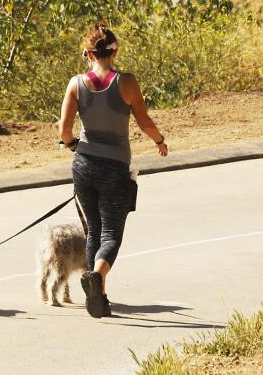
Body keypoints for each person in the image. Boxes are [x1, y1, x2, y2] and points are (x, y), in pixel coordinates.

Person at [58, 22, 169, 319]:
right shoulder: (127, 82)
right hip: (115, 167)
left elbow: (65, 131)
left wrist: (72, 146)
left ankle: (100, 295)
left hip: (83, 165)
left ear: (87, 52)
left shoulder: (76, 83)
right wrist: (159, 141)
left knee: (92, 229)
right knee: (112, 234)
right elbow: (144, 122)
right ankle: (97, 277)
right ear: (115, 51)